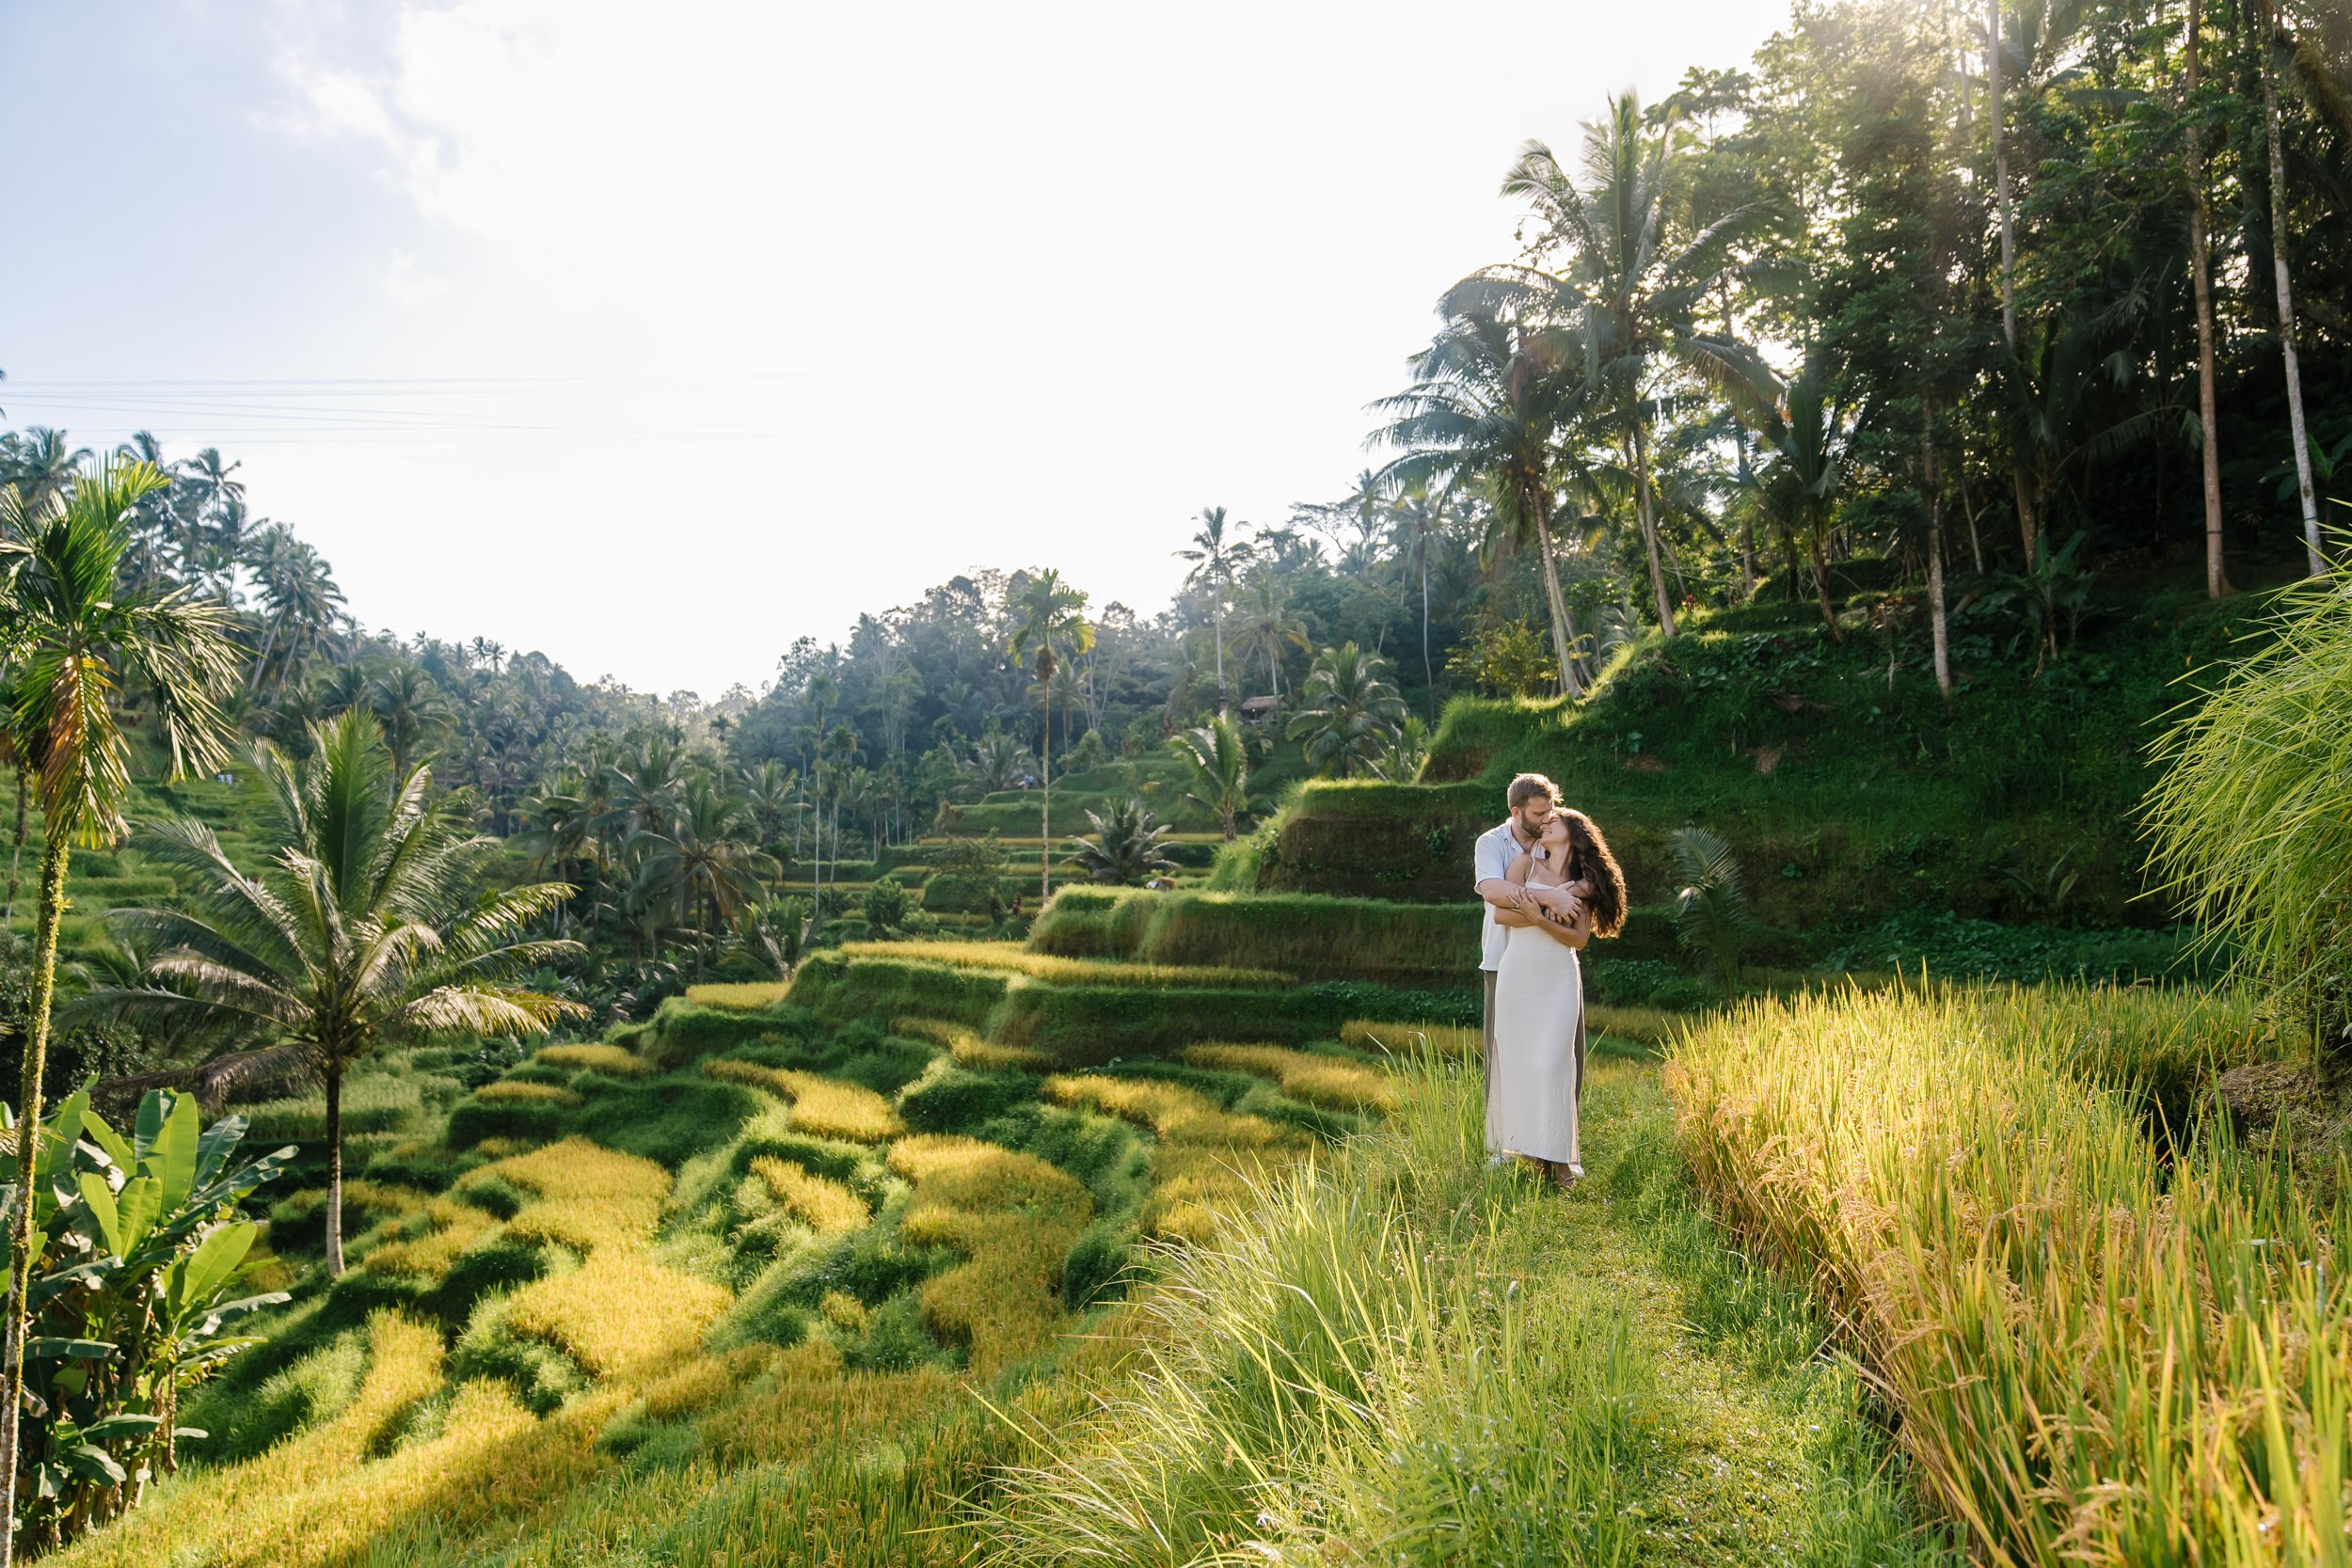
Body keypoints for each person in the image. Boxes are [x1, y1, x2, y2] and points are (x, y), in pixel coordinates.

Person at [1480, 795, 1628, 1189]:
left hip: (1558, 976)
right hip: (1518, 973)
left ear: (1574, 832)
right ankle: (1531, 1152)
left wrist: (1535, 916)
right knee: (1521, 1062)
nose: (1546, 822)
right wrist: (1543, 909)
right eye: (1544, 817)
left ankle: (1562, 1160)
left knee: (1554, 1064)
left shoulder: (1586, 881)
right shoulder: (1524, 863)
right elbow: (1500, 913)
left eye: (1555, 818)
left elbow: (1578, 939)